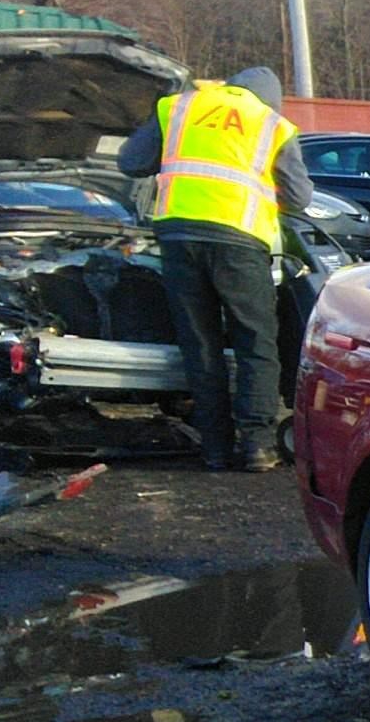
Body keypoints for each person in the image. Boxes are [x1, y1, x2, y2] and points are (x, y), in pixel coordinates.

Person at [117, 67, 312, 471]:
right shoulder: (272, 124)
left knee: (199, 343)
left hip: (178, 238)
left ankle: (215, 448)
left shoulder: (178, 107)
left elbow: (131, 162)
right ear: (269, 99)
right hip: (239, 241)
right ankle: (257, 445)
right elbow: (298, 197)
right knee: (256, 342)